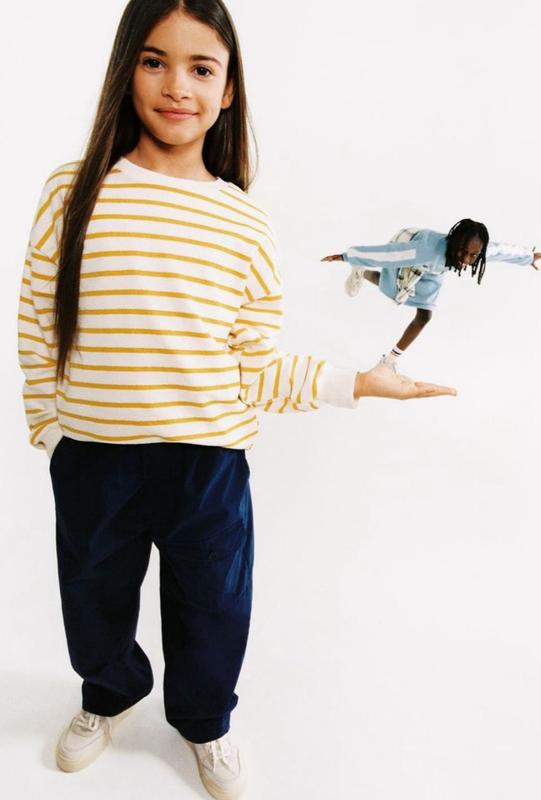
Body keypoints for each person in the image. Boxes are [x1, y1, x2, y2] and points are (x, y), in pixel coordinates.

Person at [16, 1, 456, 798]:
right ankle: (108, 694)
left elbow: (255, 365)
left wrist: (356, 382)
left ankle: (204, 721)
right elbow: (37, 320)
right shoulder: (72, 192)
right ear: (125, 70)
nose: (175, 86)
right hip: (92, 458)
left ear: (227, 91)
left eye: (200, 68)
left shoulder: (242, 222)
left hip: (207, 467)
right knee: (91, 595)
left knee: (212, 606)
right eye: (154, 61)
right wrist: (49, 427)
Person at [322, 220, 540, 371]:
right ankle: (361, 269)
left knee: (424, 315)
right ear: (454, 243)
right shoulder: (426, 250)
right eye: (462, 252)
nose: (466, 259)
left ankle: (390, 360)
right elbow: (389, 255)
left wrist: (529, 257)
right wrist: (348, 256)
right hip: (408, 247)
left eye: (473, 255)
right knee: (393, 292)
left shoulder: (476, 251)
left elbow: (501, 250)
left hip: (435, 268)